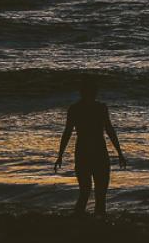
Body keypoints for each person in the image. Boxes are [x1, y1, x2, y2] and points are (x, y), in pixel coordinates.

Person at [54, 76, 127, 216]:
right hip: (96, 153)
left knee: (86, 193)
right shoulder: (98, 108)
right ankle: (92, 225)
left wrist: (60, 155)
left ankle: (80, 224)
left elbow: (67, 133)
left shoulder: (76, 109)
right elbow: (109, 130)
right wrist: (120, 153)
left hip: (85, 153)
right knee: (97, 195)